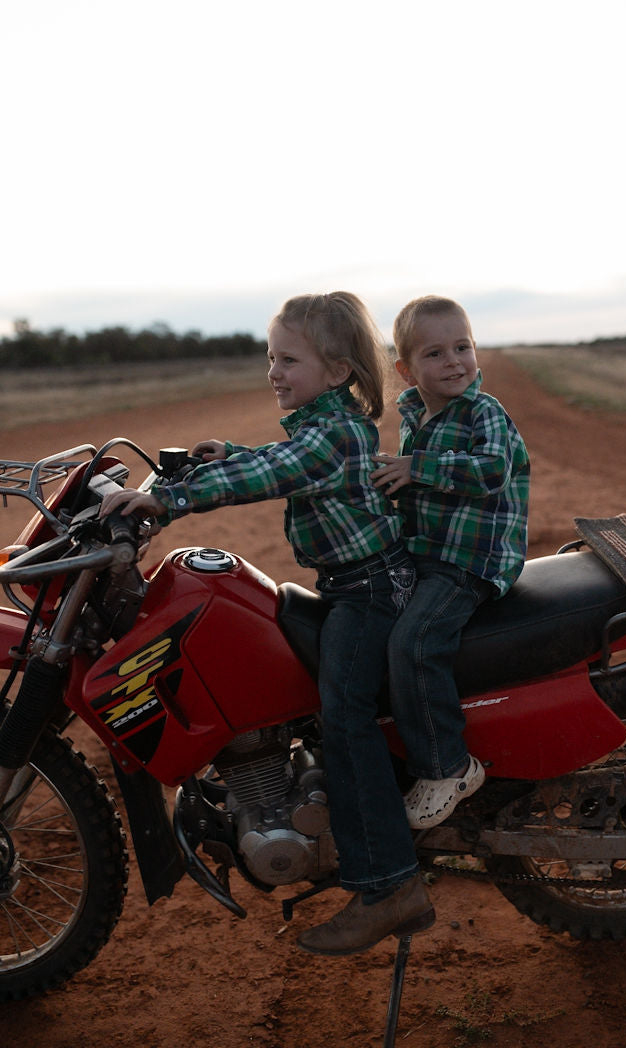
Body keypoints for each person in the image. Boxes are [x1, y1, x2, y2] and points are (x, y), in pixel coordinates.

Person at [99, 292, 435, 956]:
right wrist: (221, 454)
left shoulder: (336, 433)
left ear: (336, 371)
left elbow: (280, 471)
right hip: (351, 585)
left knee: (343, 716)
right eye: (269, 358)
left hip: (369, 593)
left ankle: (390, 885)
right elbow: (275, 459)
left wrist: (169, 499)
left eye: (288, 359)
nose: (273, 371)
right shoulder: (324, 424)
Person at [372, 295, 529, 829]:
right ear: (406, 369)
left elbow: (488, 471)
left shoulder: (485, 412)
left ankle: (447, 766)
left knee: (414, 641)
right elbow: (415, 485)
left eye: (462, 347)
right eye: (435, 353)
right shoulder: (416, 416)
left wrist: (418, 467)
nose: (455, 362)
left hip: (471, 559)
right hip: (428, 554)